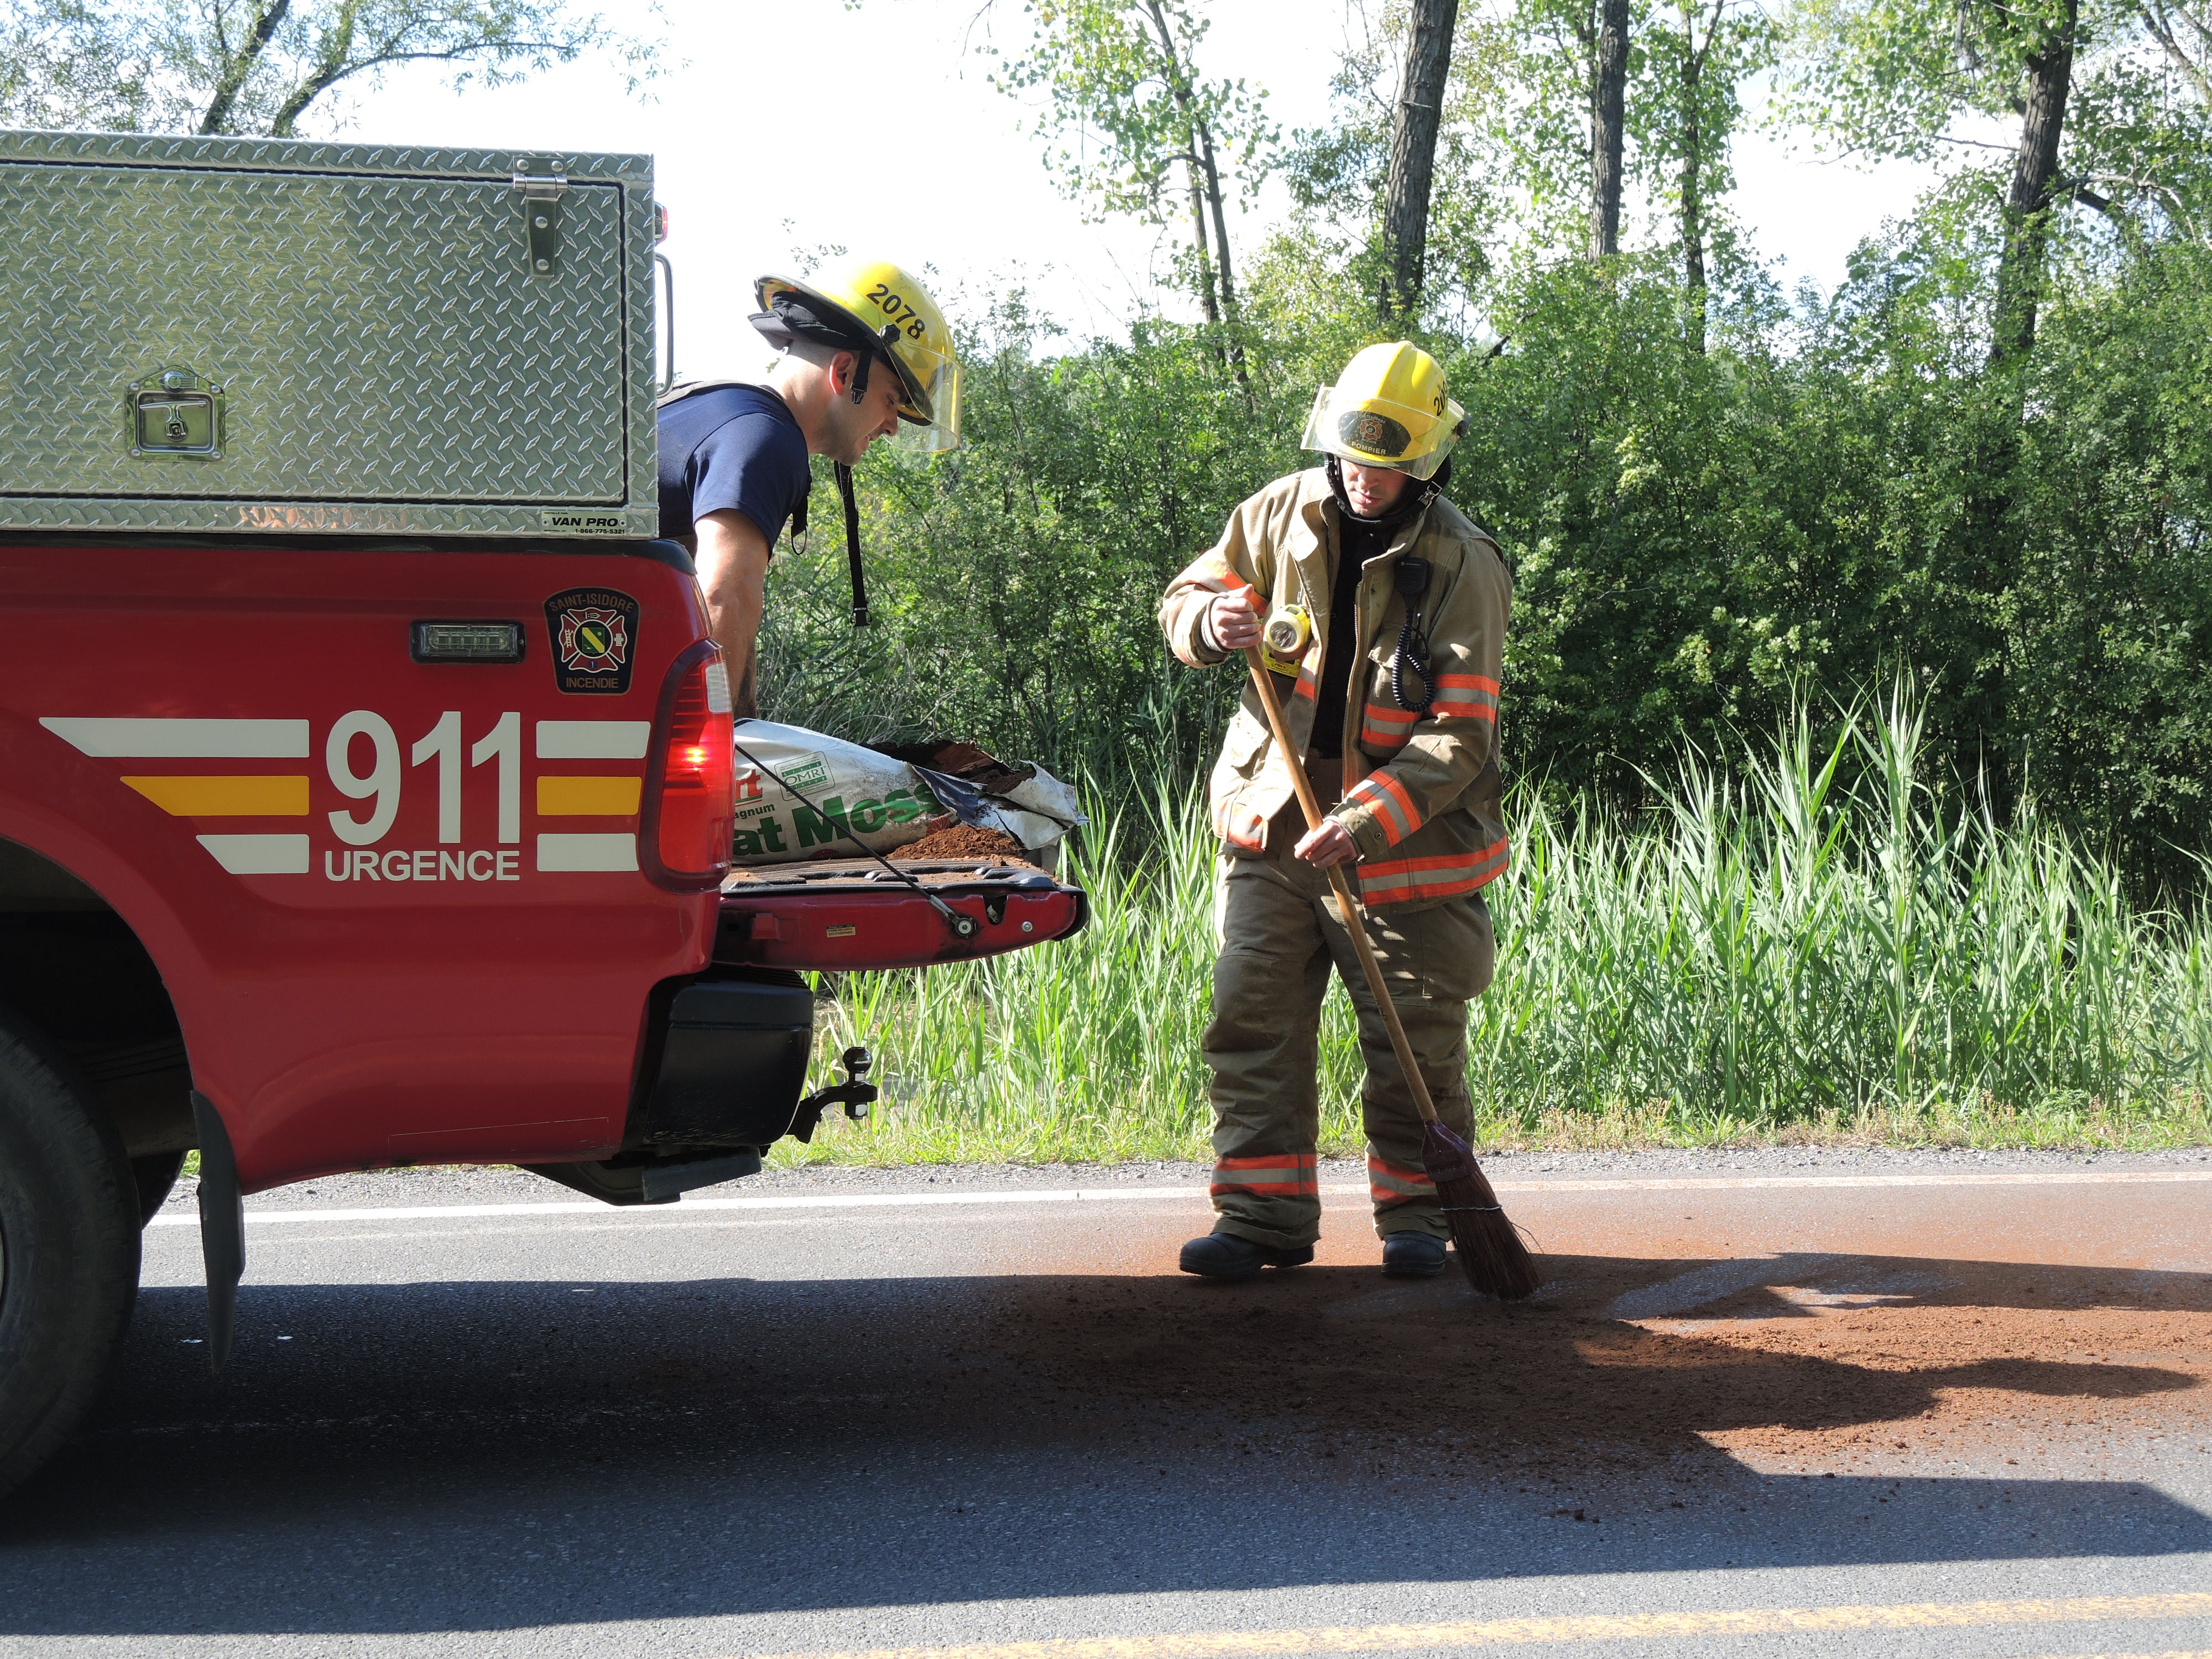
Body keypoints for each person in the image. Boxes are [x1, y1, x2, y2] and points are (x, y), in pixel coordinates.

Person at [1156, 341, 1512, 1282]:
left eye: (1386, 463)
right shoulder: (1277, 514)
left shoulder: (1466, 563)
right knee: (1252, 1020)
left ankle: (1418, 1220)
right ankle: (1261, 1220)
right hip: (1274, 826)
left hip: (1397, 848)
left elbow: (1460, 733)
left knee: (1413, 1047)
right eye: (1352, 454)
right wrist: (1207, 625)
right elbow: (1188, 596)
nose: (1363, 478)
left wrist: (1363, 820)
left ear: (1426, 460)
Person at [657, 261, 962, 717]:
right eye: (893, 400)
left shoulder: (718, 408)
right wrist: (717, 747)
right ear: (843, 373)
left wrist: (744, 728)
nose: (894, 428)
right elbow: (726, 595)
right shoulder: (766, 440)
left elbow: (723, 608)